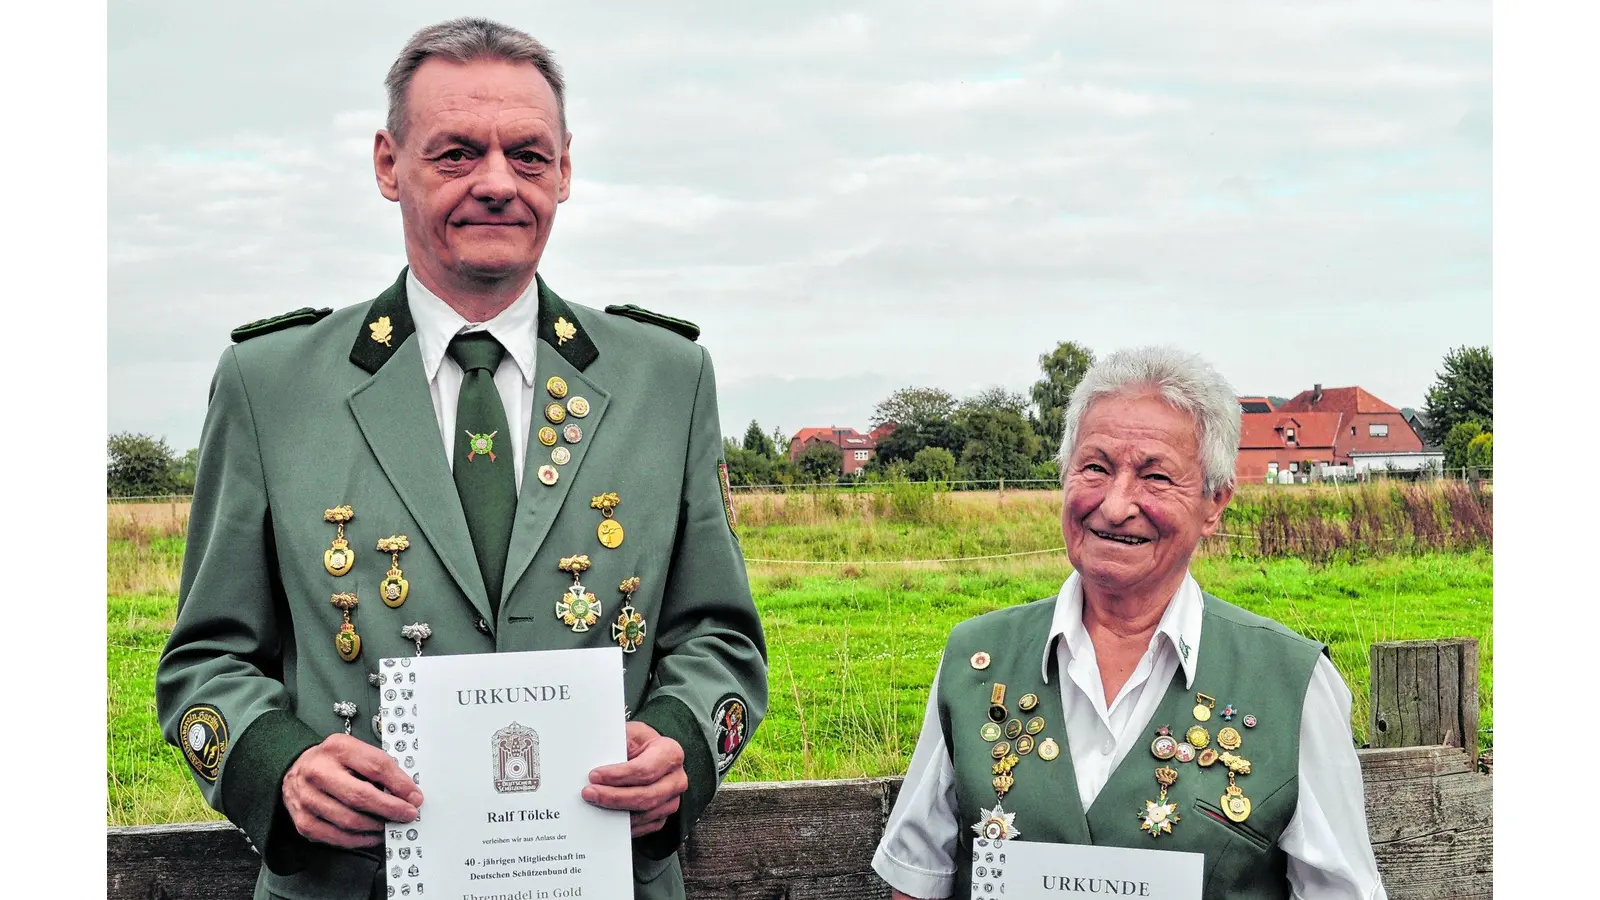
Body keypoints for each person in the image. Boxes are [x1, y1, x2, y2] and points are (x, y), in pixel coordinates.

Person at [154, 18, 767, 900]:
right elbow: (204, 661)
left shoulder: (667, 378)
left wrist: (681, 740)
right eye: (454, 154)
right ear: (386, 164)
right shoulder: (270, 384)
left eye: (526, 154)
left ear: (563, 171)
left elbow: (721, 636)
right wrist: (280, 769)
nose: (495, 183)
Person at [871, 347, 1386, 899]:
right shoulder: (976, 661)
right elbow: (917, 881)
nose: (1115, 506)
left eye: (1155, 476)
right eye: (1095, 467)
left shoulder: (1293, 683)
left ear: (1214, 504)